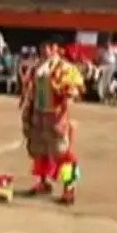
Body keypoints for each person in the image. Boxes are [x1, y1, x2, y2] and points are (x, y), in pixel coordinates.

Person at [20, 37, 84, 205]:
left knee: (62, 152)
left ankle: (69, 187)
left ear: (56, 48)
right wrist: (28, 111)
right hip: (38, 113)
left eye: (48, 46)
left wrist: (70, 93)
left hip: (55, 115)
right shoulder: (38, 67)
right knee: (39, 150)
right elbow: (31, 90)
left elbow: (75, 86)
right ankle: (43, 182)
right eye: (43, 46)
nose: (45, 49)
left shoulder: (63, 67)